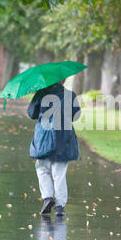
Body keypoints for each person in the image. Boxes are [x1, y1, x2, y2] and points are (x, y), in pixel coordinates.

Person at [27, 80, 81, 217]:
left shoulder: (41, 94)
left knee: (42, 169)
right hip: (63, 135)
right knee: (59, 173)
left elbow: (32, 113)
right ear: (63, 80)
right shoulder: (70, 95)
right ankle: (60, 207)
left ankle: (47, 197)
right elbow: (76, 116)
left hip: (43, 136)